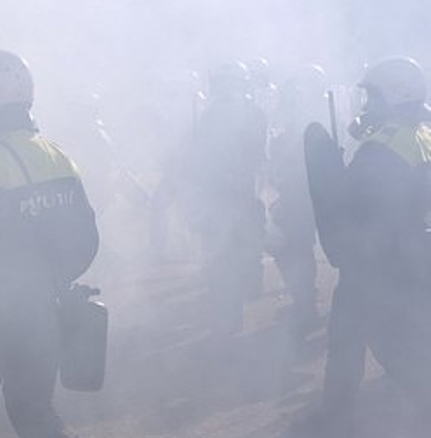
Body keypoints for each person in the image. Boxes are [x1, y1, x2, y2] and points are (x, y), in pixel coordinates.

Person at [0, 49, 99, 438]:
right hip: (45, 314)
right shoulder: (58, 157)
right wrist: (45, 283)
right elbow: (85, 242)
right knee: (35, 413)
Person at [292, 56, 431, 437]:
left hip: (376, 262)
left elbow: (354, 203)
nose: (368, 105)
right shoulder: (421, 131)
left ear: (393, 94)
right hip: (408, 253)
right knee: (372, 338)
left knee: (376, 343)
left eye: (373, 96)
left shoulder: (382, 147)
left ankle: (340, 418)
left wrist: (329, 170)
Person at [181, 61, 268, 336]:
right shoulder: (216, 115)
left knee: (236, 255)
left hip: (235, 194)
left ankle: (231, 314)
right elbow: (199, 154)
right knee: (223, 257)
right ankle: (228, 316)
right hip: (222, 196)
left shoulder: (247, 114)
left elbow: (253, 153)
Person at [266, 64, 327, 338]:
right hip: (301, 194)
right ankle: (305, 303)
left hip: (302, 196)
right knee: (292, 247)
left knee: (293, 248)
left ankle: (306, 307)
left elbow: (295, 160)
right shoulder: (311, 115)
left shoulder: (312, 119)